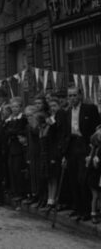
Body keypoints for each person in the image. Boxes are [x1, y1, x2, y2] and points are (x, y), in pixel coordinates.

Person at [61, 86, 101, 221]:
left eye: (74, 95)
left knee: (83, 179)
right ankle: (77, 208)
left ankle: (86, 210)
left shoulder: (90, 109)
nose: (72, 98)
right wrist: (65, 154)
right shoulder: (67, 112)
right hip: (72, 146)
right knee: (72, 178)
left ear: (80, 95)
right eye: (70, 96)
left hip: (85, 145)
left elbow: (96, 129)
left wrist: (93, 150)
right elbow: (65, 133)